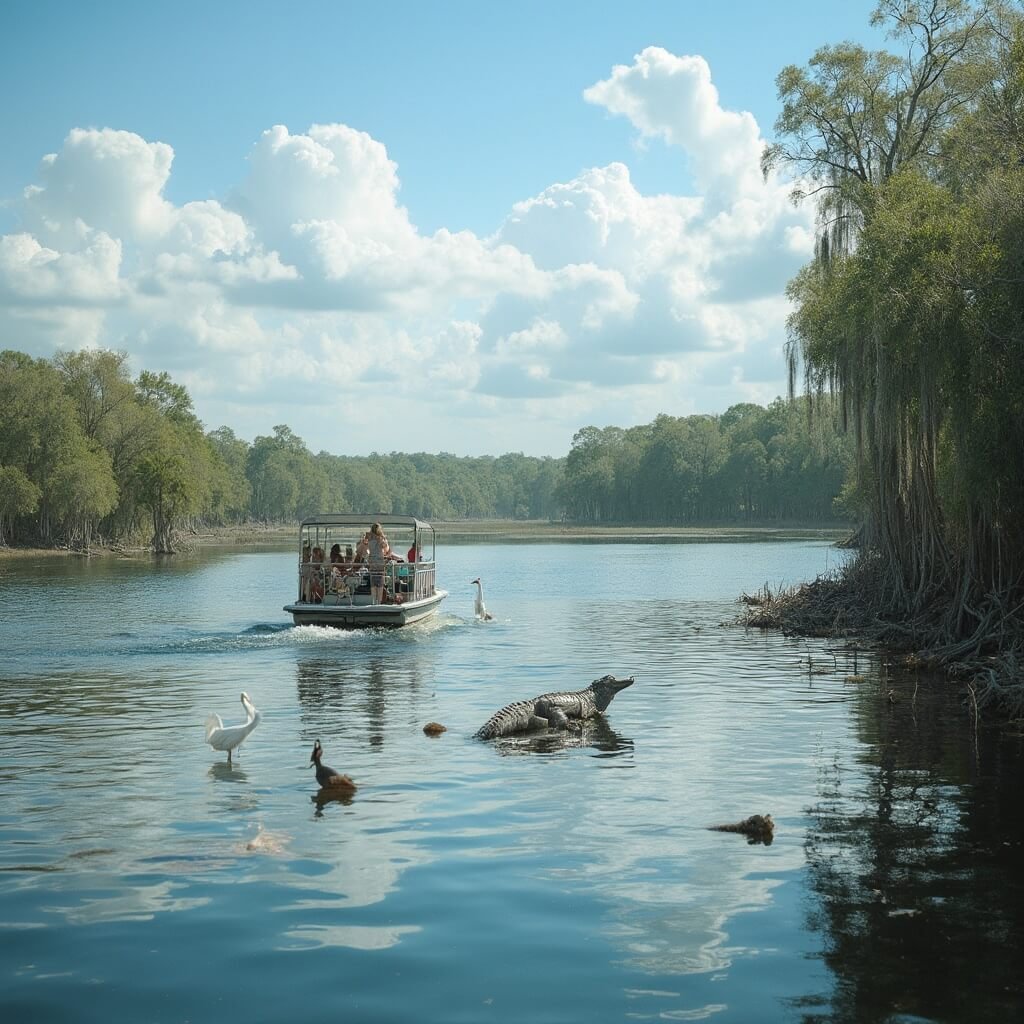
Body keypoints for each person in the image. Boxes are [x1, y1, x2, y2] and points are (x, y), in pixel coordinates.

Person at [367, 522, 391, 604]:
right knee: (380, 584)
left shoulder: (369, 539)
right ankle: (379, 602)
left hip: (372, 564)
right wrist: (384, 540)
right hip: (380, 564)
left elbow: (366, 549)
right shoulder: (381, 540)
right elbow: (386, 549)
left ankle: (373, 602)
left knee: (373, 584)